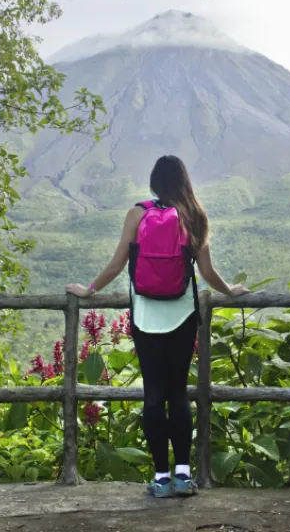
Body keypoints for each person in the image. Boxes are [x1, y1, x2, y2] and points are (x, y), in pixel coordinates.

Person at [66, 155, 249, 498]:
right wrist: (230, 291)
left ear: (153, 182)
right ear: (184, 182)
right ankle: (183, 475)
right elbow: (207, 272)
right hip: (181, 314)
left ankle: (161, 478)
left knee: (153, 396)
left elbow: (119, 262)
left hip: (145, 314)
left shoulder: (138, 213)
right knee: (178, 394)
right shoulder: (194, 214)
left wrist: (89, 290)